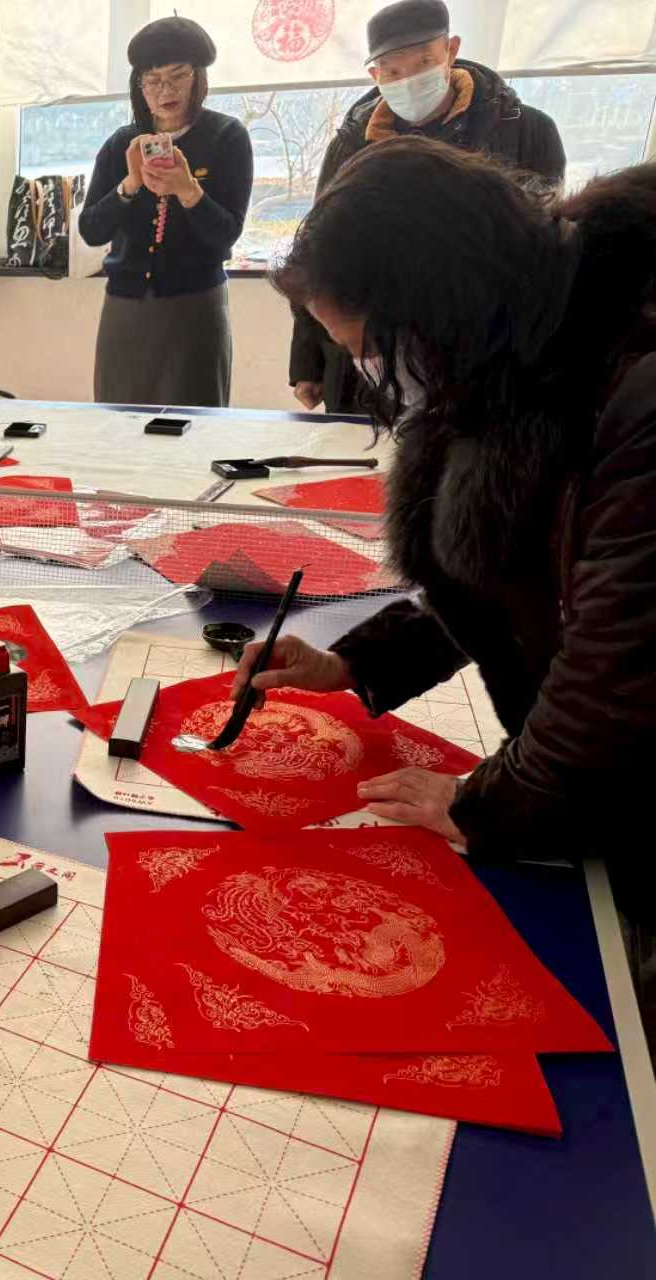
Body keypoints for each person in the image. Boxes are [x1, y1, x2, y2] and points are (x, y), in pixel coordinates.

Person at [242, 137, 655, 974]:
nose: (371, 378)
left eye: (372, 349)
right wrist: (354, 663)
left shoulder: (632, 389)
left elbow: (616, 667)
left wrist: (487, 805)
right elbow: (492, 574)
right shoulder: (511, 358)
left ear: (438, 304)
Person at [289, 0, 565, 414]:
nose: (409, 80)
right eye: (393, 71)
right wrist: (307, 361)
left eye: (423, 62)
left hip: (482, 350)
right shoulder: (350, 144)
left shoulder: (524, 131)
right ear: (375, 75)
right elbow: (319, 255)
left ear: (451, 51)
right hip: (372, 350)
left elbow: (546, 247)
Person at [79, 16, 253, 407]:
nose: (166, 90)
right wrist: (130, 184)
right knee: (118, 415)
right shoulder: (122, 143)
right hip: (125, 304)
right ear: (138, 85)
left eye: (178, 75)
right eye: (153, 79)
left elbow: (226, 233)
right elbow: (91, 230)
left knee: (196, 416)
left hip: (196, 302)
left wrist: (187, 190)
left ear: (199, 78)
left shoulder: (227, 136)